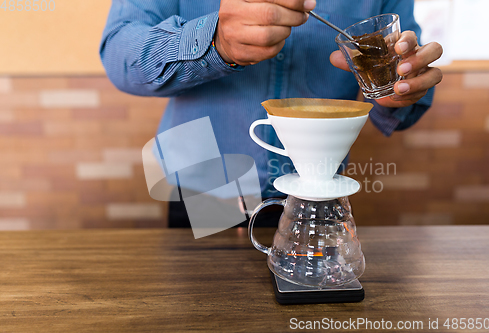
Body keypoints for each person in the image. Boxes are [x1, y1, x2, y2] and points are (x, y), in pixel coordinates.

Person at [100, 0, 443, 227]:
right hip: (205, 188)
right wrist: (215, 41)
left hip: (317, 195)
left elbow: (404, 98)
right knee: (201, 311)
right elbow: (119, 53)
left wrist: (398, 89)